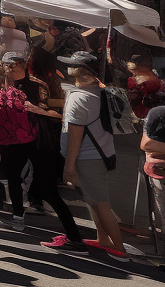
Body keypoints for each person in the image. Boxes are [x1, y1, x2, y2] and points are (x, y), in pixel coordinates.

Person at [58, 51, 126, 261]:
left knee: (101, 204)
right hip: (99, 154)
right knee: (94, 202)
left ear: (82, 72)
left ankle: (121, 250)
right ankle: (104, 240)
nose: (68, 68)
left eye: (72, 65)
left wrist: (69, 168)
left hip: (88, 158)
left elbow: (76, 135)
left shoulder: (80, 97)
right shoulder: (97, 92)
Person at [141, 104, 165, 257]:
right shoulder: (158, 113)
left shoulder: (157, 112)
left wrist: (156, 152)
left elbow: (148, 145)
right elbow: (146, 145)